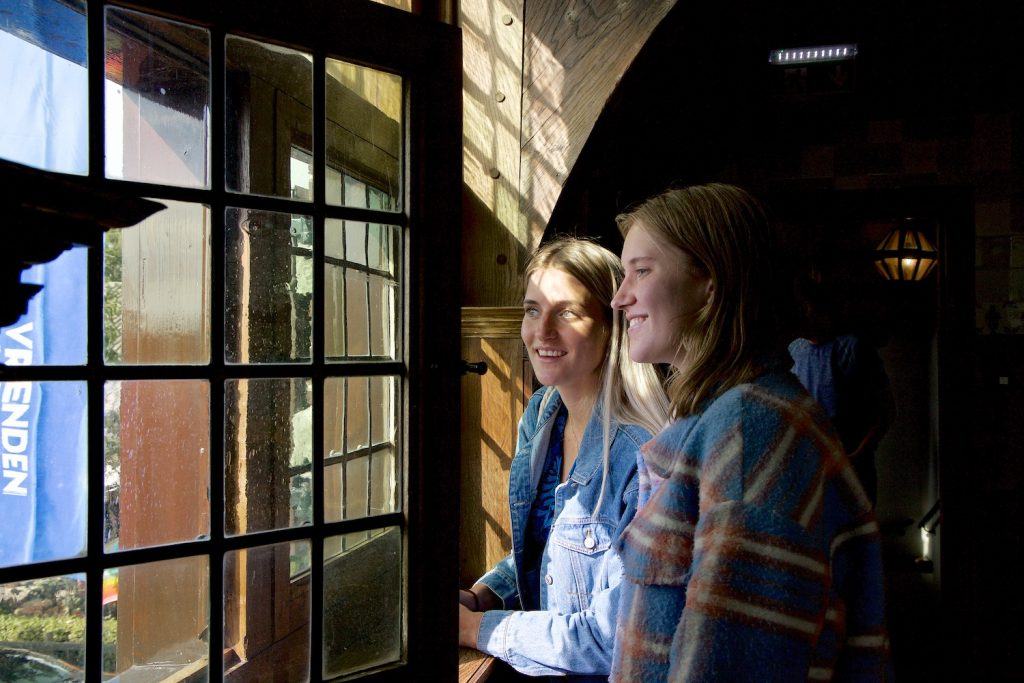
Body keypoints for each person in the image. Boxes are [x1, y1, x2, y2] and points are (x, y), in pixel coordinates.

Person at [608, 184, 890, 681]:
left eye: (642, 271)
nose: (618, 297)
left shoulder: (751, 431)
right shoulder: (716, 419)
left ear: (710, 280)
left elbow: (731, 665)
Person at [458, 237, 670, 678]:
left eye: (567, 312)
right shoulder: (542, 413)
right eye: (533, 309)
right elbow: (548, 550)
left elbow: (613, 637)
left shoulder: (644, 454)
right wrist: (484, 595)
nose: (542, 331)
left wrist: (478, 629)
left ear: (612, 325)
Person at [788, 275, 894, 507]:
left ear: (819, 309)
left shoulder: (853, 349)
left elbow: (884, 412)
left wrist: (857, 456)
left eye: (804, 308)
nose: (799, 314)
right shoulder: (795, 350)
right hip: (809, 471)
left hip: (850, 471)